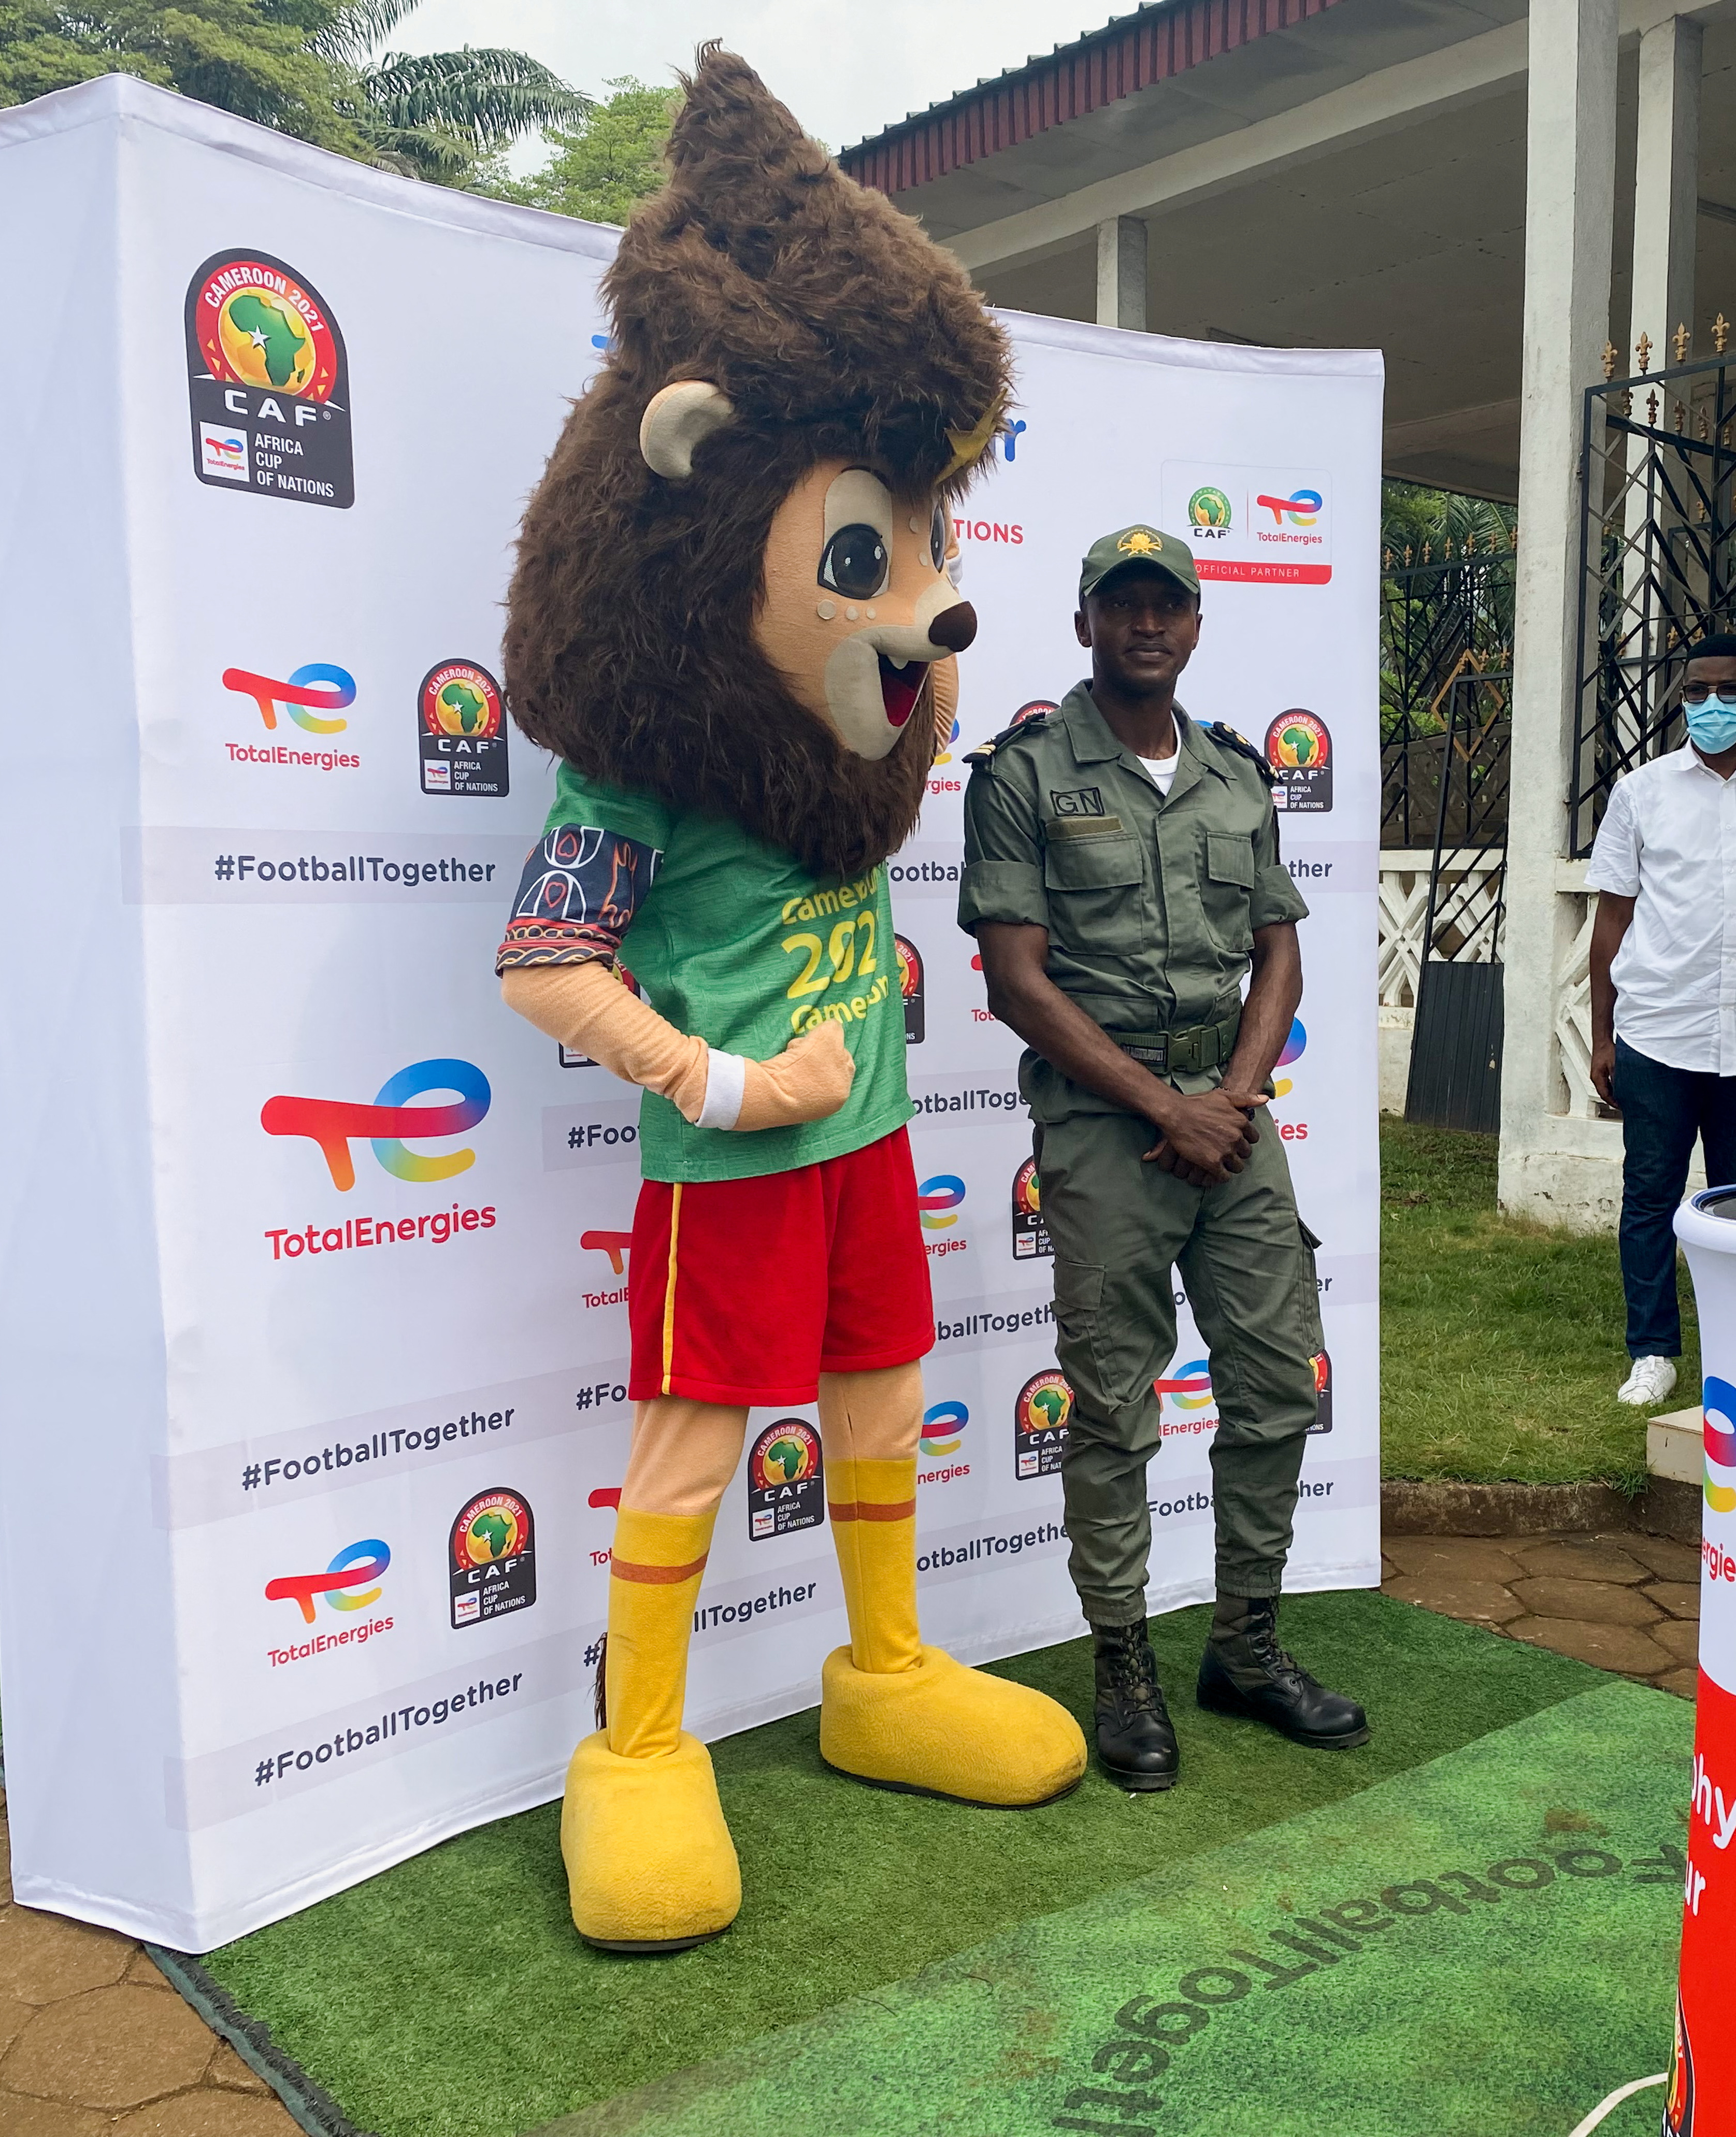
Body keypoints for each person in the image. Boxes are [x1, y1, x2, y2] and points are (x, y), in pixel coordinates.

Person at [487, 50, 1084, 1953]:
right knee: (692, 1433)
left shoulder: (838, 773)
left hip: (870, 1154)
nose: (919, 604)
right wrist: (716, 1082)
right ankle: (641, 1746)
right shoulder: (640, 779)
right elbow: (542, 965)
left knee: (886, 1402)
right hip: (734, 1163)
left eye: (921, 556)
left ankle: (884, 1673)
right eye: (865, 559)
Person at [960, 524, 1364, 1792]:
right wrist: (1161, 1108)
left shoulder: (1237, 776)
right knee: (1113, 1407)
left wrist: (1230, 1101)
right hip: (1102, 1123)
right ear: (1085, 623)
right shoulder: (1025, 772)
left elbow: (1278, 946)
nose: (1147, 625)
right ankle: (1123, 1665)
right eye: (1121, 605)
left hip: (1228, 1121)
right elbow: (1018, 981)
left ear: (1194, 625)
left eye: (1167, 607)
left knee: (1274, 1381)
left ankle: (1243, 1643)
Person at [1585, 633, 1736, 1408]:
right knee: (1651, 1195)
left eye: (1728, 690)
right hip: (1658, 1028)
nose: (1710, 705)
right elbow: (1612, 918)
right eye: (1696, 691)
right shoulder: (1642, 792)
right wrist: (1603, 1031)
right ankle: (1653, 1351)